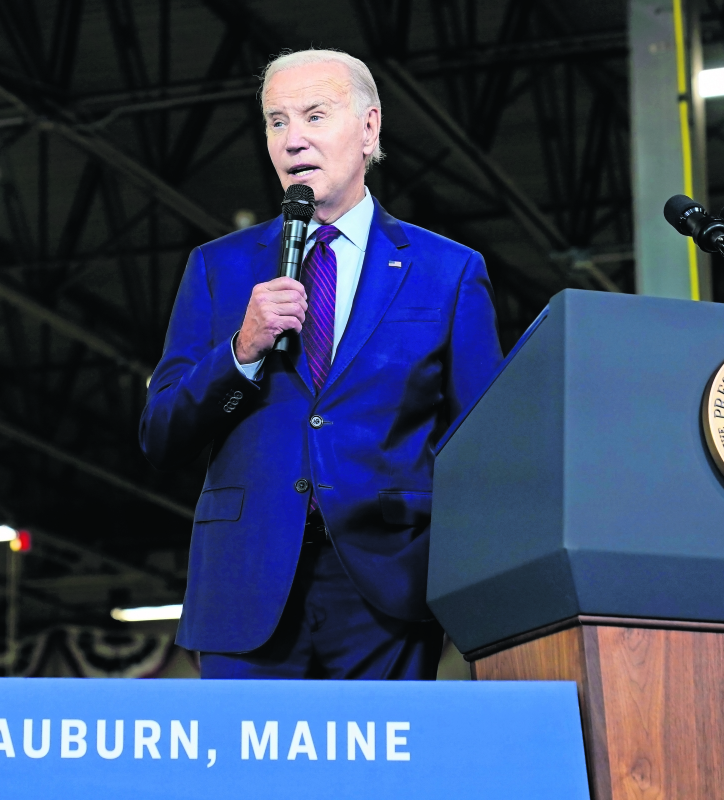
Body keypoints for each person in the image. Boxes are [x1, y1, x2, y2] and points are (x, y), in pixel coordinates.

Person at [139, 49, 502, 679]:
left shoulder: (449, 271)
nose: (292, 139)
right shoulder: (217, 267)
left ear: (369, 128)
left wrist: (469, 585)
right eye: (276, 122)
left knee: (378, 782)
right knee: (248, 781)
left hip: (389, 589)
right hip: (245, 583)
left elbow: (483, 445)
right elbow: (161, 433)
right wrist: (240, 350)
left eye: (313, 115)